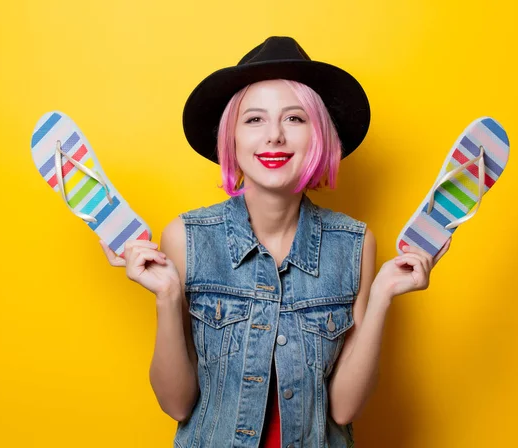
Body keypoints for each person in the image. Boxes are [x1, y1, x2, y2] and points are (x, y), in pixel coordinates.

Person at [100, 36, 450, 448]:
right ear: (230, 138)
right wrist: (166, 294)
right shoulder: (186, 238)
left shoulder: (355, 244)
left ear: (319, 136)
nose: (274, 137)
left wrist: (383, 297)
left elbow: (342, 410)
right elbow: (177, 404)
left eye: (295, 119)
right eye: (254, 120)